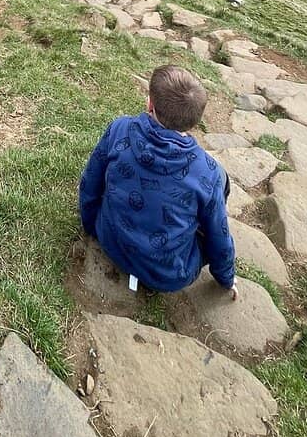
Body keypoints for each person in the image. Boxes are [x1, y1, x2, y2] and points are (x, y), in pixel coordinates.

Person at [79, 65, 237, 298]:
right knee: (221, 183)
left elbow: (90, 181)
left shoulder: (119, 128)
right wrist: (226, 277)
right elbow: (219, 235)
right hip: (167, 275)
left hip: (110, 240)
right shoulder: (208, 172)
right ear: (194, 122)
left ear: (150, 104)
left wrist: (91, 224)